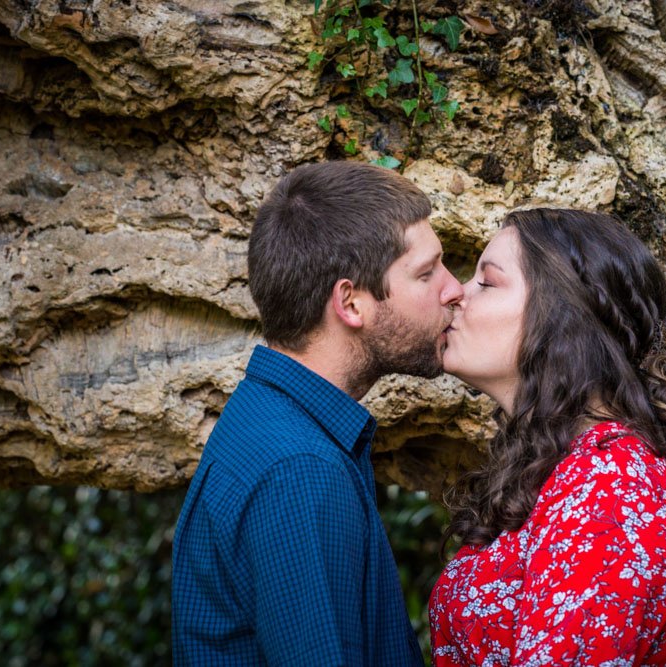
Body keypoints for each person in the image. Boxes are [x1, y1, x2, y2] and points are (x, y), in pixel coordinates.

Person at [172, 161, 462, 666]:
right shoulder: (300, 472)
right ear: (350, 303)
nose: (454, 288)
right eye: (426, 272)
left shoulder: (271, 424)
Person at [428, 208, 666, 666]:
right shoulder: (569, 469)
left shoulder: (613, 489)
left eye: (488, 282)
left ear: (562, 316)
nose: (457, 293)